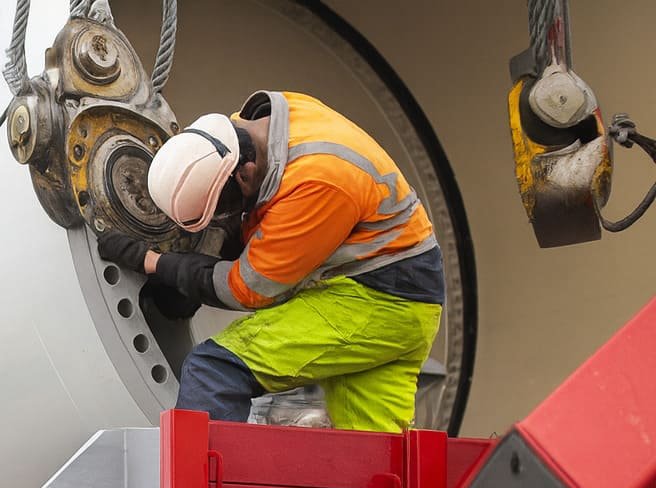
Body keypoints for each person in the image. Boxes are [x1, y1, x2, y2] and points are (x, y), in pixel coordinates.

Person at [100, 90, 446, 433]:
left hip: (378, 298)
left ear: (245, 174)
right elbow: (254, 219)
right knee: (372, 453)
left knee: (215, 369)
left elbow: (247, 289)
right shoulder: (251, 130)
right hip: (404, 302)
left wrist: (154, 263)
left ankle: (200, 487)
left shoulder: (317, 180)